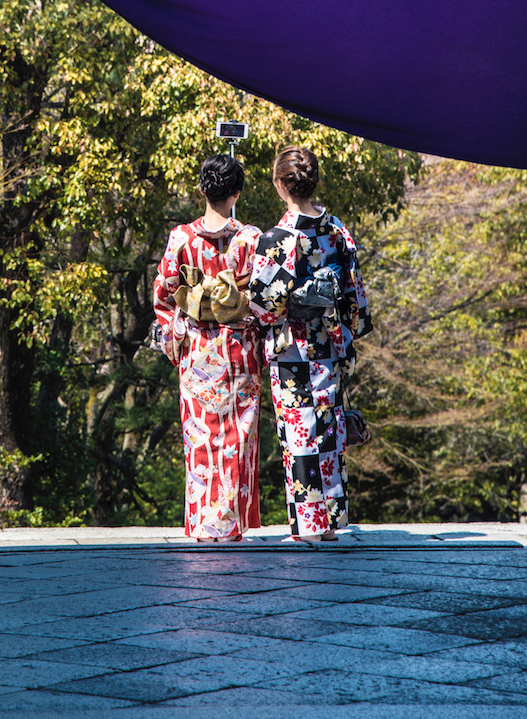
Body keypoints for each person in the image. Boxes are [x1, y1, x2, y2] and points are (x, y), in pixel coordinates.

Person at [235, 145, 371, 542]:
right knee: (327, 428)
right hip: (327, 342)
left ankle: (308, 525)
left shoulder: (278, 238)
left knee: (298, 435)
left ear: (280, 184)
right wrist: (347, 330)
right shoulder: (336, 231)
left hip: (292, 349)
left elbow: (262, 306)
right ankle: (330, 523)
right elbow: (354, 293)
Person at [152, 154, 262, 541]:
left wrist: (176, 336)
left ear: (202, 190)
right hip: (239, 349)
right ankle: (229, 524)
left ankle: (203, 523)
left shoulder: (180, 238)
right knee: (237, 436)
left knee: (200, 437)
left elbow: (164, 300)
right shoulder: (251, 239)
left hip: (197, 349)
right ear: (237, 193)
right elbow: (265, 302)